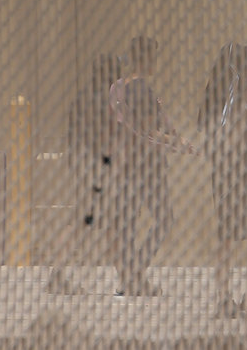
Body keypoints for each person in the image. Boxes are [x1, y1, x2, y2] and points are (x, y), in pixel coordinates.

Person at [108, 36, 196, 296]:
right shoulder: (141, 90)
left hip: (125, 164)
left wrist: (175, 136)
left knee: (128, 223)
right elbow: (148, 130)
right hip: (146, 166)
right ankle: (135, 273)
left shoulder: (118, 88)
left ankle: (131, 279)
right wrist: (176, 142)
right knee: (164, 219)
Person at [200, 44, 247, 317]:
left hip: (240, 171)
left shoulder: (220, 92)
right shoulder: (236, 90)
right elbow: (228, 131)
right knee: (238, 235)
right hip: (236, 172)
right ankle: (234, 298)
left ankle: (238, 297)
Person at [46, 54, 122, 295]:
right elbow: (106, 138)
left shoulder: (82, 97)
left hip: (79, 163)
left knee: (82, 220)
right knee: (89, 221)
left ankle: (59, 274)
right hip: (93, 165)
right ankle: (58, 274)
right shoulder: (104, 101)